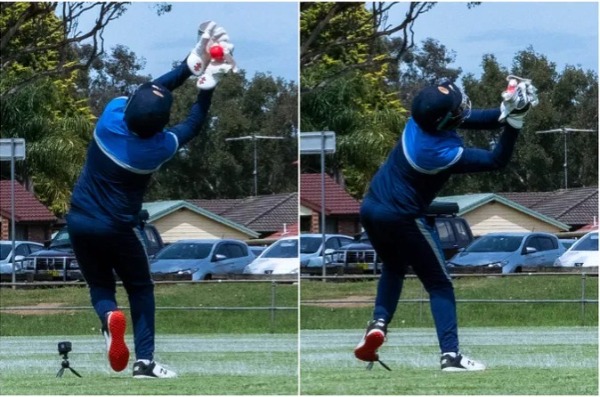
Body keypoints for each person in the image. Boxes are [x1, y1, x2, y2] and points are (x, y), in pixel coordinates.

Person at [66, 21, 235, 379]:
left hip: (79, 220)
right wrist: (207, 85)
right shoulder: (156, 150)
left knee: (100, 285)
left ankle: (109, 315)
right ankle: (144, 363)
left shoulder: (108, 119)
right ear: (158, 127)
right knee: (141, 288)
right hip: (117, 228)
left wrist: (192, 60)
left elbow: (155, 86)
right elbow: (193, 125)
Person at [353, 77, 538, 371]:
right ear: (443, 120)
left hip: (370, 208)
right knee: (439, 284)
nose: (462, 107)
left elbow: (466, 119)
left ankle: (378, 323)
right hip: (403, 216)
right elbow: (495, 160)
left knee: (394, 267)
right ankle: (450, 356)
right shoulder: (440, 153)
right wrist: (515, 123)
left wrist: (507, 108)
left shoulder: (418, 122)